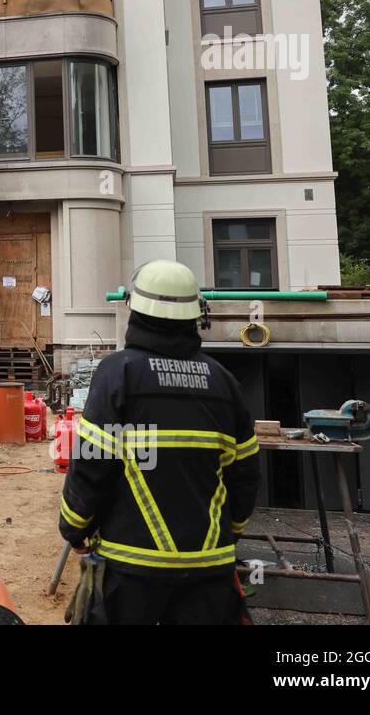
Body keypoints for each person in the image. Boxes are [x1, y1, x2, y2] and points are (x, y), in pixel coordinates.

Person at [57, 259, 260, 625]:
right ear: (194, 316)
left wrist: (74, 527)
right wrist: (228, 534)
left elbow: (91, 463)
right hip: (208, 570)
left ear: (136, 310)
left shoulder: (117, 374)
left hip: (132, 568)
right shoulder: (223, 381)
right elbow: (244, 474)